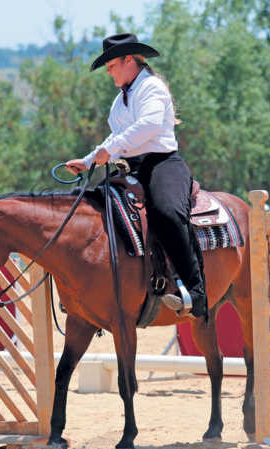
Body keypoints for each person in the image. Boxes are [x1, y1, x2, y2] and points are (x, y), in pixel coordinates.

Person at [65, 33, 207, 319]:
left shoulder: (152, 88)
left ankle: (196, 291)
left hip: (162, 164)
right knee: (92, 210)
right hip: (130, 166)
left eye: (111, 64)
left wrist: (110, 150)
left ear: (128, 60)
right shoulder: (120, 100)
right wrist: (89, 160)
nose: (108, 71)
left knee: (166, 212)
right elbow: (116, 136)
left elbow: (148, 127)